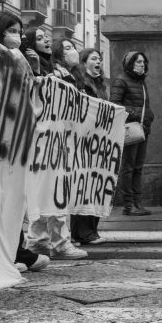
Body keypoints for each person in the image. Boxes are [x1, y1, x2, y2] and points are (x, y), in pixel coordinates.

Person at [0, 12, 51, 273]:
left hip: (16, 133)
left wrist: (36, 70)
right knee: (2, 196)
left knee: (16, 196)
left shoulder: (19, 57)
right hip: (0, 133)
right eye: (11, 30)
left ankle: (15, 249)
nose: (15, 35)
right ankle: (4, 253)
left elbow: (30, 91)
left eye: (19, 30)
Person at [25, 37, 87, 260]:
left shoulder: (67, 75)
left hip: (61, 139)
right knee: (43, 190)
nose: (45, 41)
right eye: (67, 48)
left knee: (58, 190)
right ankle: (44, 241)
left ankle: (53, 240)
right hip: (43, 141)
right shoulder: (48, 73)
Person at [72, 48, 109, 244]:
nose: (98, 62)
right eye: (94, 59)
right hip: (85, 141)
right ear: (84, 62)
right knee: (84, 187)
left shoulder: (100, 84)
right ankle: (81, 231)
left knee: (96, 187)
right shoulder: (81, 83)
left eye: (100, 59)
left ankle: (91, 230)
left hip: (100, 141)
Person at [112, 51, 154, 216]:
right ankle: (128, 205)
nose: (141, 65)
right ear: (130, 64)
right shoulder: (121, 80)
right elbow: (114, 103)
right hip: (130, 129)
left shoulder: (141, 82)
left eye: (143, 62)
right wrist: (137, 114)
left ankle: (138, 203)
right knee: (128, 168)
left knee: (138, 168)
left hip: (143, 129)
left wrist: (149, 115)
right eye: (137, 62)